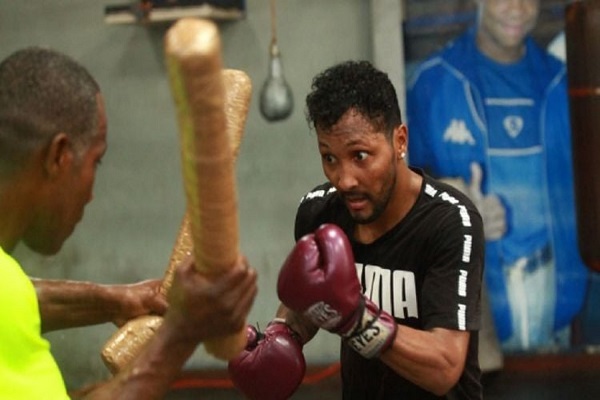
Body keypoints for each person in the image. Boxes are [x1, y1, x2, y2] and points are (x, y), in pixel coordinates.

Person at [0, 46, 257, 399]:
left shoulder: (7, 278)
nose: (91, 194)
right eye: (96, 161)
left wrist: (113, 300)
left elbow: (20, 298)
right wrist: (182, 331)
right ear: (59, 157)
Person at [229, 60, 485, 399]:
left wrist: (356, 319)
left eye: (360, 156)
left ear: (400, 141)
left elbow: (444, 367)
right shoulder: (320, 211)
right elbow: (312, 301)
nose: (344, 179)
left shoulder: (450, 221)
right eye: (329, 158)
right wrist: (283, 334)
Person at [406, 0, 588, 352]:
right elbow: (400, 197)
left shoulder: (564, 83)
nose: (518, 8)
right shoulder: (434, 82)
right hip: (476, 305)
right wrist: (456, 213)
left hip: (557, 296)